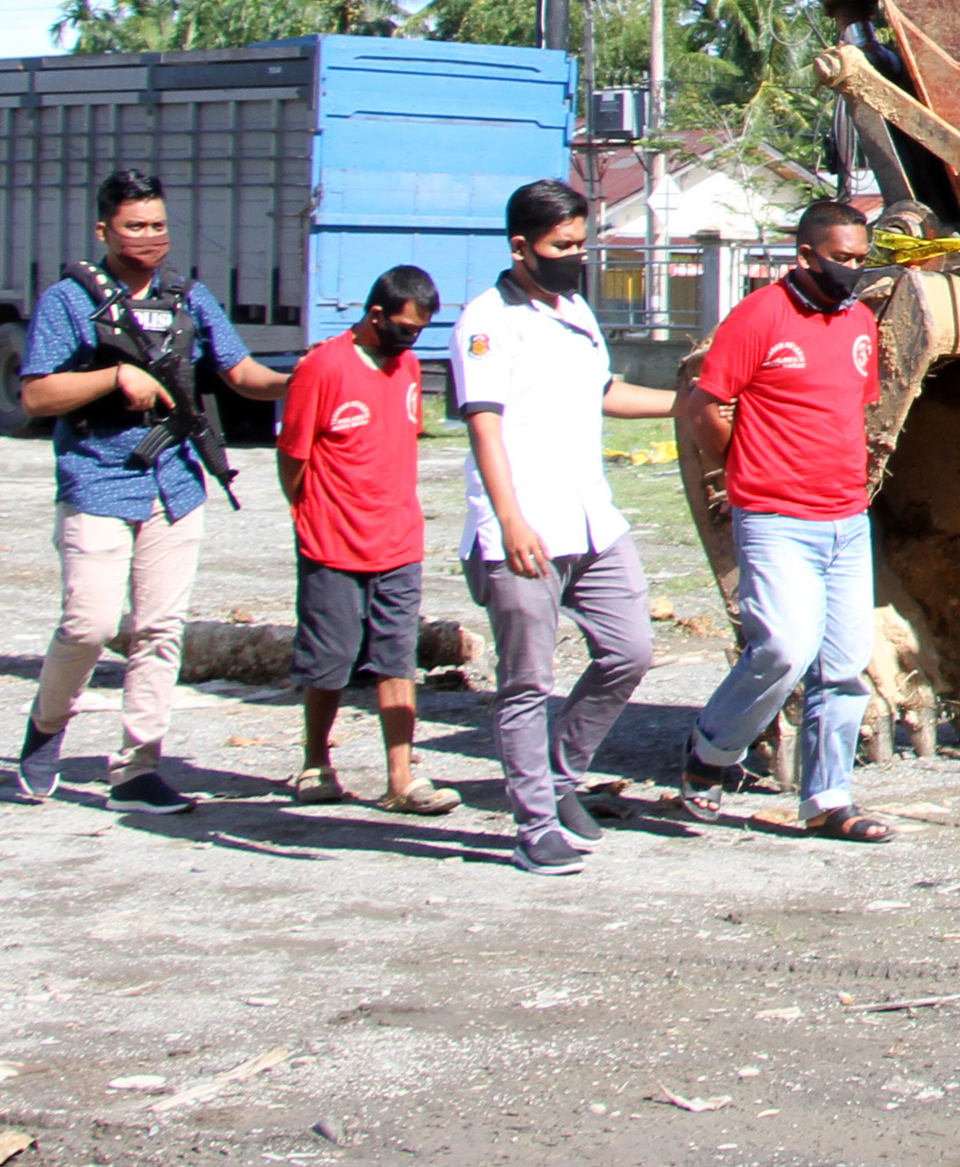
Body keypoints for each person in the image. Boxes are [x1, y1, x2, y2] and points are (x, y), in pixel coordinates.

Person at [7, 166, 292, 810]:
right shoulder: (69, 301)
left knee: (161, 631)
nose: (149, 237)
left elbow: (241, 372)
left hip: (176, 483)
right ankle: (47, 727)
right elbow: (37, 394)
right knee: (89, 624)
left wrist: (303, 380)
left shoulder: (188, 298)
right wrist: (114, 378)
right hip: (97, 479)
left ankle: (138, 768)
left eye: (159, 225)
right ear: (103, 230)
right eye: (135, 226)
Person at [457, 178, 674, 874]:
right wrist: (509, 518)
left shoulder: (576, 309)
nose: (576, 256)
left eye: (582, 243)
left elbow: (604, 392)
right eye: (562, 246)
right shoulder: (487, 321)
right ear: (520, 246)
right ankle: (533, 824)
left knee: (630, 650)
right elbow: (483, 425)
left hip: (592, 518)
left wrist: (689, 399)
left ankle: (559, 774)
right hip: (525, 526)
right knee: (527, 681)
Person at [678, 198, 894, 843]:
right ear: (805, 255)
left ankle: (828, 800)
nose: (853, 270)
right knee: (782, 648)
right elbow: (703, 407)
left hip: (846, 519)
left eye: (862, 259)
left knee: (844, 666)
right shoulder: (759, 317)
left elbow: (852, 408)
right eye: (842, 259)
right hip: (775, 517)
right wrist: (745, 467)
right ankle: (712, 751)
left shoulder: (859, 322)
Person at [276, 265, 460, 817]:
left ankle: (401, 779)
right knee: (329, 658)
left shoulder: (407, 366)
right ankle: (315, 762)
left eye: (420, 331)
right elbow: (292, 457)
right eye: (405, 328)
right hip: (331, 541)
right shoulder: (322, 368)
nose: (412, 340)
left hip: (398, 540)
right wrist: (310, 512)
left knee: (397, 658)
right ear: (375, 315)